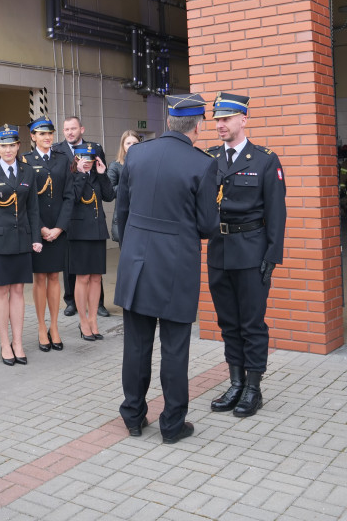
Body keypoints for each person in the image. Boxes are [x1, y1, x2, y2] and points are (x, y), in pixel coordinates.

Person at [114, 93, 219, 444]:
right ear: (198, 127)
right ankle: (172, 425)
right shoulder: (202, 164)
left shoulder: (137, 153)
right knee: (175, 348)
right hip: (175, 266)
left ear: (170, 122)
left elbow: (123, 213)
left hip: (136, 264)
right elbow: (206, 225)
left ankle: (133, 415)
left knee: (137, 345)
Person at [206, 92, 287, 418]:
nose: (220, 125)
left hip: (252, 251)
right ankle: (235, 383)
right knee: (228, 323)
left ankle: (254, 387)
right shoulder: (210, 158)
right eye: (216, 120)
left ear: (244, 119)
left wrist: (272, 255)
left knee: (251, 323)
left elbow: (277, 213)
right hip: (219, 250)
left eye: (226, 119)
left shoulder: (265, 159)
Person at [0, 124, 42, 366]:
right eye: (3, 146)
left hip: (22, 240)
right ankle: (5, 343)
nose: (8, 150)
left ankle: (18, 342)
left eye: (12, 145)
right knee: (2, 291)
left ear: (18, 146)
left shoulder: (27, 171)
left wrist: (36, 237)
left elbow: (33, 208)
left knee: (18, 292)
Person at [21, 118, 74, 352]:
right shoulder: (25, 161)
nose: (47, 137)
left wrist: (59, 228)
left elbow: (69, 196)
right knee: (39, 278)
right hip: (37, 228)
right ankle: (41, 327)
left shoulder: (62, 159)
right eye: (41, 134)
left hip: (58, 229)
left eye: (49, 134)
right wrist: (40, 228)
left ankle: (54, 326)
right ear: (32, 136)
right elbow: (24, 199)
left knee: (55, 277)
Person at [53, 115, 109, 318]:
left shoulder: (95, 147)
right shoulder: (57, 150)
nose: (69, 132)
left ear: (81, 129)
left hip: (92, 213)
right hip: (71, 213)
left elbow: (104, 183)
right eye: (66, 129)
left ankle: (98, 303)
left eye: (73, 128)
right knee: (72, 264)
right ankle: (71, 302)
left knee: (94, 269)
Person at [67, 142, 115, 341]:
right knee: (83, 278)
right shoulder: (71, 175)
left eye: (90, 158)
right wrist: (79, 174)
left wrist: (102, 174)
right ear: (76, 158)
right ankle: (83, 321)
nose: (87, 162)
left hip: (97, 230)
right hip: (78, 233)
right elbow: (74, 198)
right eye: (82, 158)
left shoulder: (97, 175)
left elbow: (110, 196)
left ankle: (94, 319)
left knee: (96, 278)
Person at [107, 129, 142, 243]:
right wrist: (128, 184)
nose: (132, 146)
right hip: (124, 217)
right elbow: (110, 192)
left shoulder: (146, 164)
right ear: (123, 146)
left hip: (142, 215)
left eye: (135, 143)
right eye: (128, 143)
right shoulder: (115, 165)